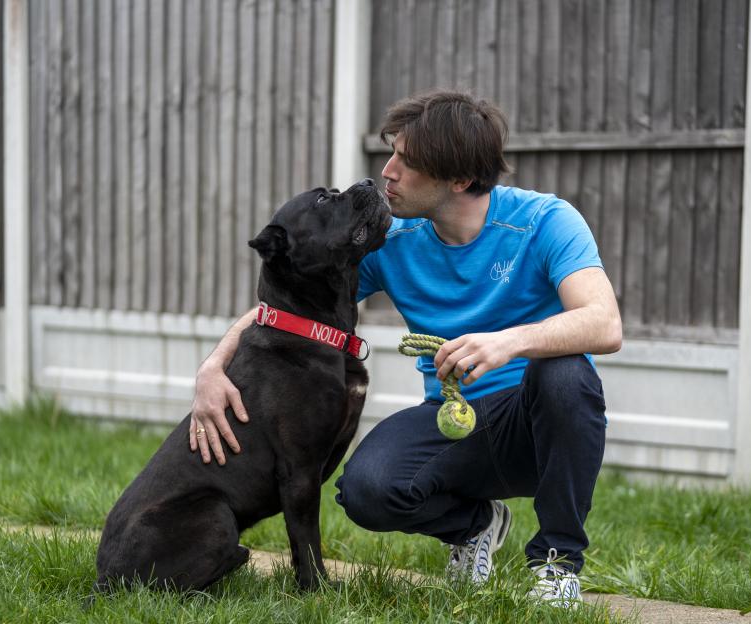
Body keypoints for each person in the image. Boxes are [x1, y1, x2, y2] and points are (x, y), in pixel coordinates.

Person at [189, 90, 621, 607]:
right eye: (391, 153)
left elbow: (604, 323)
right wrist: (213, 366)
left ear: (459, 180)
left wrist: (510, 342)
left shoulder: (545, 221)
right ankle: (474, 525)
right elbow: (287, 310)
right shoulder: (394, 240)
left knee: (566, 374)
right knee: (366, 488)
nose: (387, 171)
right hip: (454, 418)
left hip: (537, 424)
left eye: (407, 162)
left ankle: (557, 563)